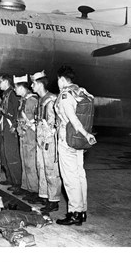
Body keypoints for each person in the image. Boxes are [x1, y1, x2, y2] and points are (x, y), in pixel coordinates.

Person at [54, 65, 96, 226]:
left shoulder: (65, 94)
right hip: (79, 141)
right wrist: (85, 136)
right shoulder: (81, 91)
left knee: (70, 177)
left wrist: (86, 134)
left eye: (58, 80)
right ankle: (82, 210)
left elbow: (73, 118)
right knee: (79, 174)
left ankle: (74, 212)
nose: (57, 83)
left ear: (62, 79)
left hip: (67, 139)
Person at [31, 70, 61, 213]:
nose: (31, 86)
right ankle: (44, 195)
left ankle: (54, 200)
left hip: (49, 139)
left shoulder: (52, 100)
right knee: (41, 167)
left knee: (50, 170)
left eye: (33, 84)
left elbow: (55, 123)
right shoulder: (40, 100)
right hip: (40, 138)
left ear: (39, 84)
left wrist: (49, 135)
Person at [14, 75, 39, 201]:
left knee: (31, 164)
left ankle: (34, 190)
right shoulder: (23, 100)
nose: (15, 90)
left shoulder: (32, 100)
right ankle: (26, 187)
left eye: (16, 87)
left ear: (22, 87)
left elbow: (36, 119)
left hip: (30, 135)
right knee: (24, 162)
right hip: (23, 134)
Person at [0, 74, 23, 194]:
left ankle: (17, 182)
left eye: (0, 82)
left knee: (12, 156)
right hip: (4, 128)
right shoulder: (6, 95)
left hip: (10, 129)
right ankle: (10, 178)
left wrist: (14, 125)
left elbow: (17, 111)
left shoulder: (12, 94)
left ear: (6, 82)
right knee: (5, 155)